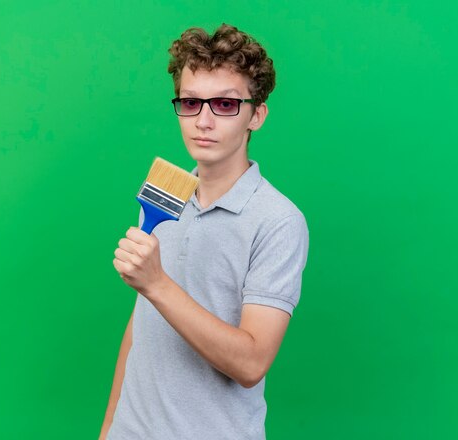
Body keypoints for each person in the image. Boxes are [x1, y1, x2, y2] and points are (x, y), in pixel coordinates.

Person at [99, 23, 309, 440]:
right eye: (191, 103)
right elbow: (142, 324)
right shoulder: (166, 194)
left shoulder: (278, 221)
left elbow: (251, 364)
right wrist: (109, 429)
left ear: (257, 115)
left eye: (226, 105)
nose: (204, 121)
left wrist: (156, 283)